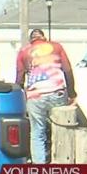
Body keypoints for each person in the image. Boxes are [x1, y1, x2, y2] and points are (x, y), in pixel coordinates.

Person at [15, 29, 77, 164]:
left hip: (35, 96)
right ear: (44, 37)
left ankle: (39, 167)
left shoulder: (23, 52)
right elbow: (67, 70)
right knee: (61, 129)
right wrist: (72, 93)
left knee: (37, 133)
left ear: (31, 40)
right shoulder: (56, 47)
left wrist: (21, 96)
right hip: (57, 92)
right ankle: (63, 163)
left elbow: (20, 78)